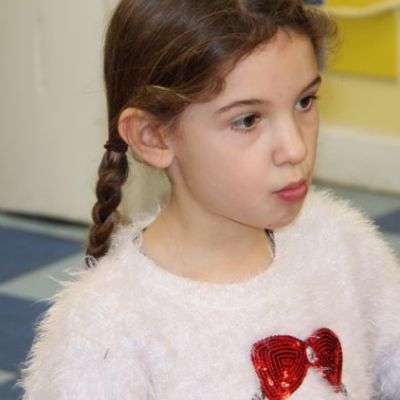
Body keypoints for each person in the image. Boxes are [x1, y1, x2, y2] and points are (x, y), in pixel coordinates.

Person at [18, 0, 400, 399]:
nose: (295, 148)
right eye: (247, 120)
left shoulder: (339, 242)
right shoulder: (104, 329)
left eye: (304, 102)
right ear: (153, 137)